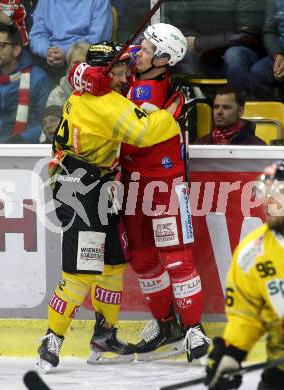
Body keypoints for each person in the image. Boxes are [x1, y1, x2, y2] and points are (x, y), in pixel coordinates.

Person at [36, 41, 184, 372]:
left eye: (126, 70)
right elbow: (144, 132)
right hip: (77, 183)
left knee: (113, 263)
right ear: (104, 73)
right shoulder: (106, 104)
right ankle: (52, 339)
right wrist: (170, 114)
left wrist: (82, 71)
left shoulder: (96, 91)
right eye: (119, 71)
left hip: (97, 181)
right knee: (81, 271)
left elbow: (83, 70)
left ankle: (105, 334)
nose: (125, 76)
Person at [119, 23, 211, 363]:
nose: (137, 53)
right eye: (141, 47)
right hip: (132, 185)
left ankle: (194, 330)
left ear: (162, 60)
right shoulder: (140, 71)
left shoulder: (155, 95)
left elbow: (128, 135)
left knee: (176, 259)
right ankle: (166, 326)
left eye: (145, 50)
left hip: (165, 186)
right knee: (142, 261)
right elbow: (114, 60)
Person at [205, 160, 284, 390]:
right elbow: (246, 315)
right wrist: (232, 353)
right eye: (264, 192)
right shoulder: (252, 252)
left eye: (277, 192)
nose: (268, 201)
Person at [0, 24, 52, 144]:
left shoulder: (38, 78)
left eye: (0, 45)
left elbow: (47, 123)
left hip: (25, 153)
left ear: (16, 50)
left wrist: (22, 139)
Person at [165, 0, 266, 97]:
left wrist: (199, 42)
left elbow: (244, 34)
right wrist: (198, 44)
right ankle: (195, 102)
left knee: (234, 56)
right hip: (200, 51)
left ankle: (238, 105)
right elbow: (180, 27)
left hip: (238, 49)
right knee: (181, 53)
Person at [29, 0, 112, 72]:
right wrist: (47, 51)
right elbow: (37, 34)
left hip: (84, 61)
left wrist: (66, 53)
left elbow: (98, 39)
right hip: (48, 60)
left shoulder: (99, 1)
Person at [194, 86, 266, 145]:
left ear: (240, 111)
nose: (219, 112)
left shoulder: (256, 145)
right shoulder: (201, 143)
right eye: (216, 107)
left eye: (226, 107)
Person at [249, 0, 284, 100]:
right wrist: (277, 55)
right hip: (280, 53)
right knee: (258, 71)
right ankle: (267, 114)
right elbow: (269, 31)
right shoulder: (274, 2)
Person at [45, 41, 90, 109]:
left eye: (85, 63)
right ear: (69, 66)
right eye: (76, 63)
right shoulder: (57, 95)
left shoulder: (104, 94)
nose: (81, 67)